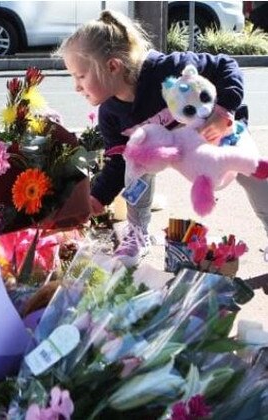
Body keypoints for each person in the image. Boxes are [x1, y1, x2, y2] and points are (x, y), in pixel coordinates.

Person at [58, 10, 268, 266]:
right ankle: (138, 233)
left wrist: (223, 111)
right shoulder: (110, 115)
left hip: (215, 132)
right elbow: (119, 163)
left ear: (113, 66)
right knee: (135, 159)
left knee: (255, 174)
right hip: (174, 153)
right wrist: (98, 196)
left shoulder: (168, 70)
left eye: (80, 76)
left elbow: (227, 66)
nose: (76, 86)